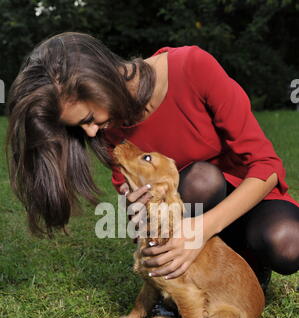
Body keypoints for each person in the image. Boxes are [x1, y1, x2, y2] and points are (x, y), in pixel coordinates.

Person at [6, 32, 299, 304]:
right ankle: (183, 283)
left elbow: (266, 165)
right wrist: (137, 213)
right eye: (83, 126)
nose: (92, 133)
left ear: (99, 80)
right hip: (187, 209)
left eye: (90, 118)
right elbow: (137, 212)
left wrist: (201, 227)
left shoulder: (192, 67)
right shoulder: (111, 125)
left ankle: (247, 259)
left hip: (249, 193)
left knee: (288, 243)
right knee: (199, 182)